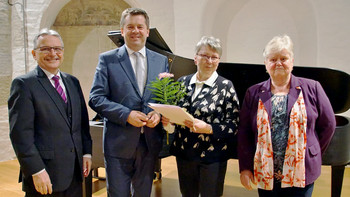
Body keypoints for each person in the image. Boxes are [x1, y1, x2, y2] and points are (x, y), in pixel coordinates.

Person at [238, 35, 336, 197]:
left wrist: (312, 151)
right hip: (265, 169)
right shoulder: (253, 92)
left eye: (284, 58)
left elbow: (329, 125)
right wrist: (246, 167)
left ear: (292, 61)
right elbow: (244, 132)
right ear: (265, 64)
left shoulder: (312, 88)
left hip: (301, 169)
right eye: (273, 59)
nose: (278, 63)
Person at [89, 8, 168, 197]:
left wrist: (158, 113)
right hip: (118, 143)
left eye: (140, 27)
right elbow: (96, 98)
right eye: (130, 26)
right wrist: (126, 115)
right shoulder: (107, 60)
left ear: (148, 31)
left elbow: (164, 98)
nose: (135, 31)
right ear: (122, 31)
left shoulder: (161, 60)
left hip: (149, 143)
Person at [8, 28, 92, 196]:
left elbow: (82, 123)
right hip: (45, 174)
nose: (52, 53)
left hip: (75, 173)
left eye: (57, 49)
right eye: (45, 49)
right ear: (34, 53)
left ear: (62, 52)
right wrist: (36, 170)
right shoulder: (24, 85)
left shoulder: (72, 82)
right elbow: (20, 135)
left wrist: (87, 153)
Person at [162, 36, 240, 197]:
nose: (209, 61)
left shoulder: (226, 86)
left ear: (218, 60)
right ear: (195, 58)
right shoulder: (183, 82)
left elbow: (234, 125)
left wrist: (209, 128)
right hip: (185, 153)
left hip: (213, 156)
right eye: (205, 56)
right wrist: (168, 123)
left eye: (214, 57)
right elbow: (175, 118)